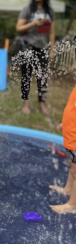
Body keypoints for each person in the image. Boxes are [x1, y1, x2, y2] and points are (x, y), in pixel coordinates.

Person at [16, 0, 55, 114]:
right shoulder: (27, 9)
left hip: (42, 48)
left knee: (42, 77)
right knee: (26, 76)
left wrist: (52, 50)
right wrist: (33, 24)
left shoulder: (50, 11)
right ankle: (26, 103)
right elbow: (18, 28)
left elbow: (52, 33)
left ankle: (42, 103)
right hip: (27, 46)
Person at [49, 86, 76, 214]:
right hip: (71, 138)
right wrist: (66, 123)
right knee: (72, 167)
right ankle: (68, 190)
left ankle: (72, 205)